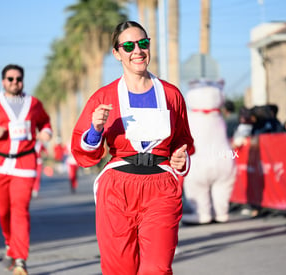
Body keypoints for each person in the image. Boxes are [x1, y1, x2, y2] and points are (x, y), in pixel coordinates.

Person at [71, 21, 194, 275]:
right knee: (120, 269)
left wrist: (181, 159)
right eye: (128, 46)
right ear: (117, 53)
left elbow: (183, 142)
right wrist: (95, 129)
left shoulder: (171, 95)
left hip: (161, 188)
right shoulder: (103, 98)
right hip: (117, 189)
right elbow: (84, 154)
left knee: (157, 269)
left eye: (143, 43)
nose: (137, 50)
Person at [0, 64, 52, 275]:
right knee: (4, 211)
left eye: (18, 79)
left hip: (25, 164)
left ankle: (20, 260)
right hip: (0, 165)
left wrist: (46, 133)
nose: (15, 82)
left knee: (20, 211)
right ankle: (9, 242)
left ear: (23, 80)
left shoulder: (33, 103)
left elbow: (45, 122)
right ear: (3, 81)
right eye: (10, 79)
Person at [181, 80, 237, 225]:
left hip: (198, 160)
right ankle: (221, 212)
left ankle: (202, 213)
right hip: (223, 158)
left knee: (196, 185)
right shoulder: (219, 118)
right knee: (223, 185)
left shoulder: (190, 117)